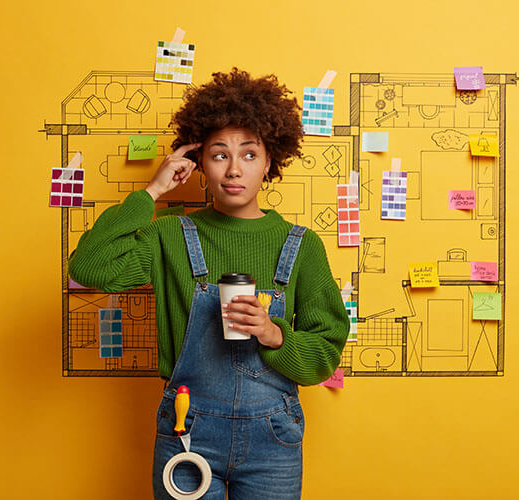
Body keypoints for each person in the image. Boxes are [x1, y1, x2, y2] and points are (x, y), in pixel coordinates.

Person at [68, 68, 349, 500]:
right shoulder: (170, 235)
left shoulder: (302, 246)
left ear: (270, 160)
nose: (234, 169)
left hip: (273, 440)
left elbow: (324, 355)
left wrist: (274, 334)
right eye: (219, 154)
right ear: (199, 162)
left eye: (249, 155)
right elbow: (89, 266)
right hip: (188, 430)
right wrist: (152, 191)